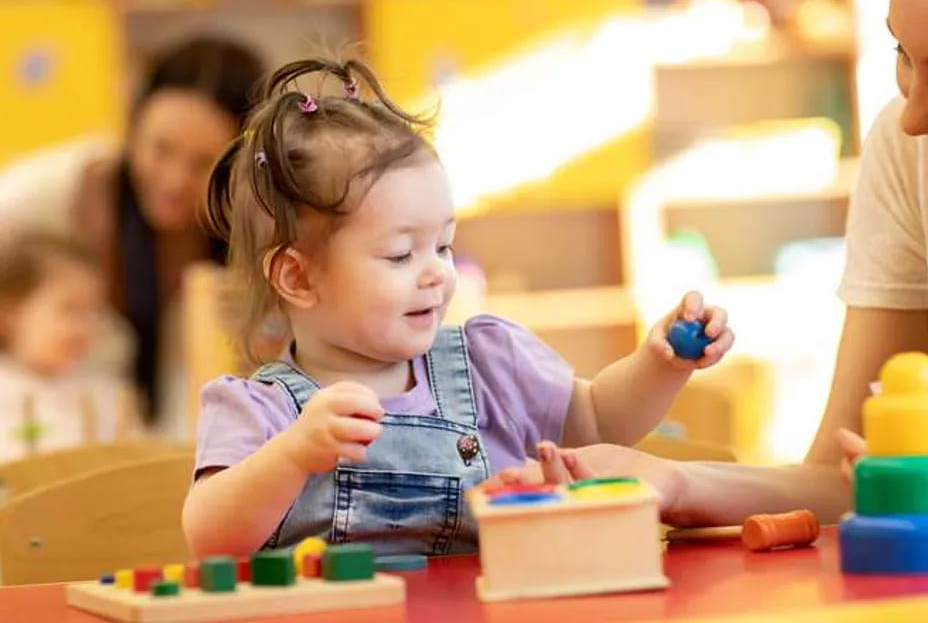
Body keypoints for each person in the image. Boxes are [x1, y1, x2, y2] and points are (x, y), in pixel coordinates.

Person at [491, 0, 928, 530]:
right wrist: (675, 481)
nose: (912, 113)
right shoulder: (904, 150)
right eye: (902, 54)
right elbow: (844, 482)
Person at [181, 57, 734, 557]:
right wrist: (294, 456)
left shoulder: (489, 364)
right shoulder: (262, 412)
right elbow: (211, 536)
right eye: (401, 254)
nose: (436, 272)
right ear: (297, 276)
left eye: (443, 245)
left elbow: (598, 422)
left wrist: (661, 364)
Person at [0, 36, 265, 436]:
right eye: (160, 149)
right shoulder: (60, 190)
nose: (174, 180)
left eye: (202, 163)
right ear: (132, 128)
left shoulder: (255, 222)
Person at [0, 233, 136, 461]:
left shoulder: (106, 393)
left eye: (94, 311)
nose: (85, 326)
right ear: (11, 313)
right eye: (69, 310)